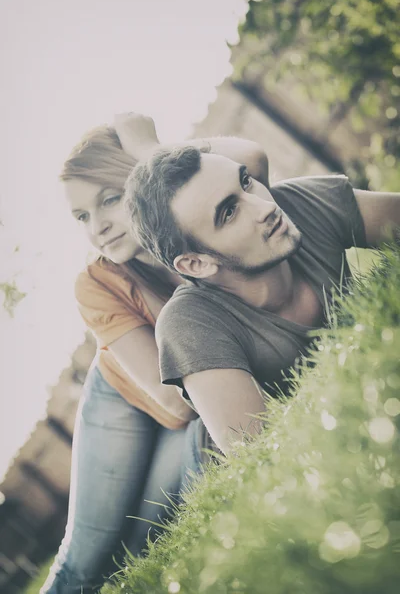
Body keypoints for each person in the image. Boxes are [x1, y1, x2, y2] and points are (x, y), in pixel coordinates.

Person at [41, 114, 271, 594]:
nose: (98, 227)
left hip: (190, 407)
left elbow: (251, 160)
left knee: (135, 548)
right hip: (127, 397)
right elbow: (170, 402)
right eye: (81, 216)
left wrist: (153, 150)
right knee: (85, 555)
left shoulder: (196, 220)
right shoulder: (97, 282)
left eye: (109, 199)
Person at [125, 144, 400, 454]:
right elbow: (258, 453)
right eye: (229, 212)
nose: (264, 206)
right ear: (197, 263)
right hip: (193, 449)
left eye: (245, 182)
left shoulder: (295, 204)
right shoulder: (189, 324)